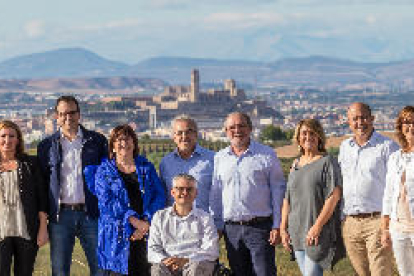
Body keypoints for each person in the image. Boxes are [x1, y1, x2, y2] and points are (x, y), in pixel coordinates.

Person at [37, 95, 108, 276]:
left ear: (79, 115)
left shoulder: (97, 141)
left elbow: (107, 178)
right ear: (56, 117)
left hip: (91, 214)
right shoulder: (46, 146)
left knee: (100, 269)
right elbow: (43, 184)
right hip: (60, 217)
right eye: (63, 114)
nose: (68, 117)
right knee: (60, 271)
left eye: (72, 113)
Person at [209, 112, 286, 276]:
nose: (237, 130)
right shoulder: (220, 158)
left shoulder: (267, 155)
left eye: (241, 126)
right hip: (231, 230)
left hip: (260, 227)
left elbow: (278, 191)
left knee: (264, 272)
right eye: (232, 127)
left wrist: (277, 225)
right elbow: (216, 194)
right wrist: (217, 225)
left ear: (250, 128)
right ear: (226, 131)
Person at [93, 124, 166, 276]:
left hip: (145, 234)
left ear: (134, 143)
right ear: (112, 146)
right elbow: (107, 203)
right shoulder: (103, 171)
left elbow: (159, 196)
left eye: (128, 138)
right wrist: (134, 221)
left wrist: (146, 222)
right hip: (117, 235)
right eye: (119, 139)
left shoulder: (147, 167)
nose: (123, 143)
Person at [338, 102, 399, 276]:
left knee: (380, 272)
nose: (360, 122)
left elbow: (396, 186)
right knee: (361, 273)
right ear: (348, 122)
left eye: (364, 117)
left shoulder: (387, 147)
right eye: (355, 119)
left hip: (377, 221)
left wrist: (388, 223)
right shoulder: (344, 148)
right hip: (350, 223)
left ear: (372, 119)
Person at [280, 119, 344, 276]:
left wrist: (317, 227)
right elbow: (288, 199)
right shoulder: (295, 164)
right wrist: (283, 228)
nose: (308, 137)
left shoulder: (327, 162)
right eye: (304, 133)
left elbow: (334, 196)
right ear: (298, 138)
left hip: (316, 233)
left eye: (312, 133)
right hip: (296, 232)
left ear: (319, 137)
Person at [0, 120, 48, 276]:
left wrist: (43, 229)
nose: (7, 140)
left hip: (26, 231)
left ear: (18, 139)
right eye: (3, 136)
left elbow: (42, 199)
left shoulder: (30, 164)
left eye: (11, 136)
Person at [148, 173, 219, 276]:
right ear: (172, 192)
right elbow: (153, 248)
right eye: (180, 189)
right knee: (157, 269)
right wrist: (166, 261)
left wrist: (187, 260)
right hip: (168, 264)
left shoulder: (205, 218)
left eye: (189, 189)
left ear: (196, 193)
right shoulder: (159, 217)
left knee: (196, 267)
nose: (185, 193)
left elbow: (212, 250)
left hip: (195, 264)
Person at [381, 106, 414, 276]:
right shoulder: (395, 157)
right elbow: (388, 194)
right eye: (407, 122)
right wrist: (385, 228)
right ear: (401, 127)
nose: (411, 127)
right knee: (405, 273)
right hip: (398, 226)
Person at [159, 115, 214, 212]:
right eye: (180, 133)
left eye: (189, 132)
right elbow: (163, 196)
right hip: (174, 223)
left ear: (196, 134)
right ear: (174, 137)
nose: (184, 136)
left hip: (203, 223)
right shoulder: (165, 163)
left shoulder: (212, 159)